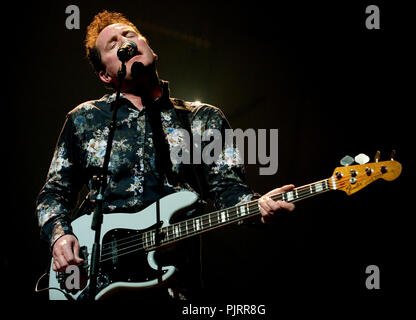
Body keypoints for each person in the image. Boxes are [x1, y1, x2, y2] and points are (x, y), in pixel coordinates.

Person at [36, 10, 295, 301]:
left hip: (174, 286)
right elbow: (53, 193)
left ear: (150, 48)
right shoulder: (85, 120)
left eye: (130, 34)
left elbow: (228, 190)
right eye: (112, 44)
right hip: (96, 286)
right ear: (105, 74)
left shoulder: (202, 120)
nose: (125, 42)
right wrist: (60, 236)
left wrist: (257, 206)